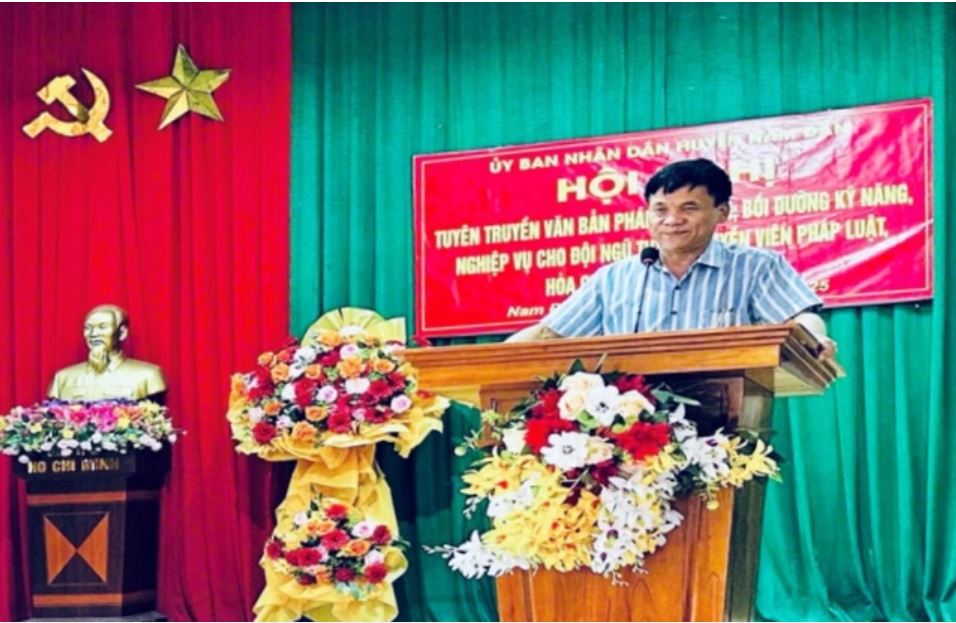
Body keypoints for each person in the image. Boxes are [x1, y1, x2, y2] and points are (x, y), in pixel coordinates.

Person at [507, 158, 837, 359]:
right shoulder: (614, 278)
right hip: (632, 431)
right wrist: (492, 360)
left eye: (688, 208)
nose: (672, 220)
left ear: (722, 212)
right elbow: (551, 333)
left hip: (724, 428)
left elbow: (799, 317)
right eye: (660, 209)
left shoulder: (755, 267)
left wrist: (815, 339)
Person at [48, 304, 167, 401]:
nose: (93, 334)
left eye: (102, 327)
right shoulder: (63, 378)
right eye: (88, 328)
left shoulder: (149, 375)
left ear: (122, 333)